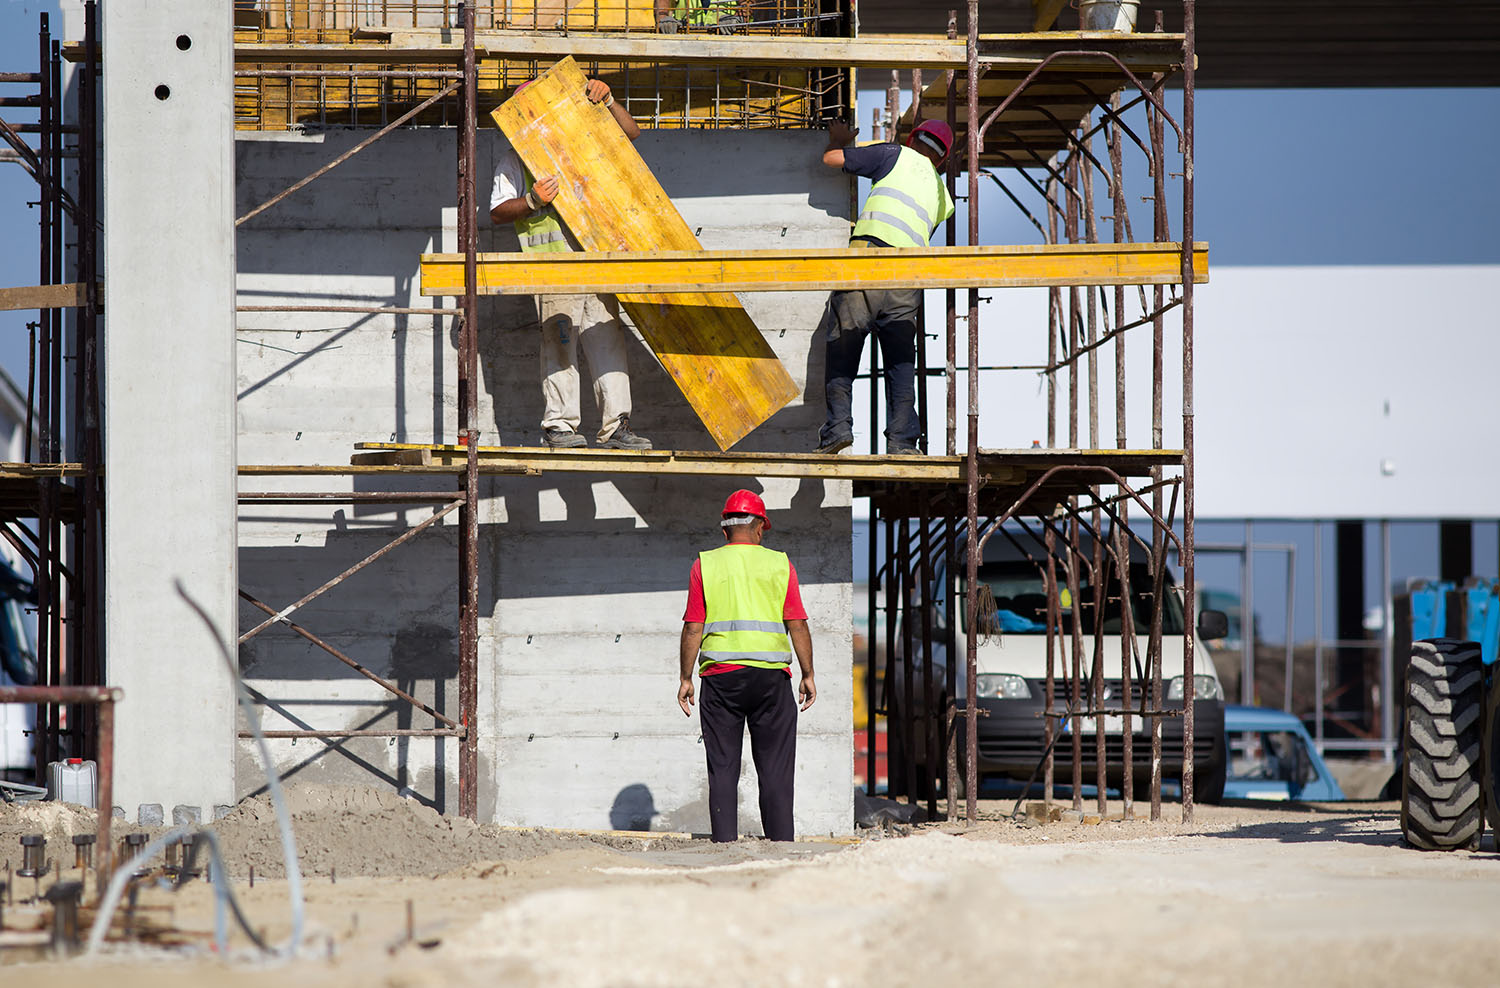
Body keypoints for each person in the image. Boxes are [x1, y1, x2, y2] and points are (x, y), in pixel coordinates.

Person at [489, 77, 653, 451]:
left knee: (607, 340)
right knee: (560, 344)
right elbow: (498, 211)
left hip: (596, 259)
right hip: (552, 267)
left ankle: (616, 428)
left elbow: (631, 133)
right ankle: (559, 426)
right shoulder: (516, 158)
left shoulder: (583, 142)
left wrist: (608, 99)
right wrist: (532, 201)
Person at [677, 489, 815, 842]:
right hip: (771, 681)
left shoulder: (704, 564)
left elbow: (694, 626)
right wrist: (808, 674)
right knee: (776, 770)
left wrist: (685, 677)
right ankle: (781, 843)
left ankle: (724, 844)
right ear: (760, 529)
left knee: (722, 767)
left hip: (721, 680)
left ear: (725, 531)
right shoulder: (780, 564)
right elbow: (796, 622)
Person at [814, 118, 956, 456]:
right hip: (908, 276)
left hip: (868, 263)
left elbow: (832, 160)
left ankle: (837, 430)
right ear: (944, 159)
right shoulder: (944, 197)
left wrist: (838, 139)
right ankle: (902, 443)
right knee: (901, 363)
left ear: (912, 138)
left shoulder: (895, 154)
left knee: (843, 350)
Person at [654, 0, 743, 34]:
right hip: (685, 37)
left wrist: (738, 20)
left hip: (725, 37)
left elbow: (748, 4)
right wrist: (663, 19)